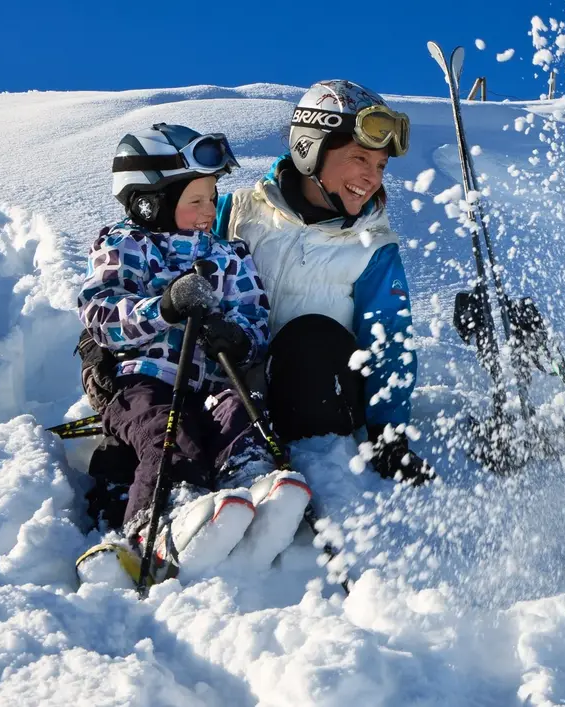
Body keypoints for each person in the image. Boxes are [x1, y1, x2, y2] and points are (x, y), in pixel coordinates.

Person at [72, 124, 312, 587]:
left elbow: (255, 316)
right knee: (169, 431)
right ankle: (156, 521)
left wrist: (237, 338)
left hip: (216, 381)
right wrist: (162, 308)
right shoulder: (125, 244)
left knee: (243, 413)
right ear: (150, 201)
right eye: (196, 200)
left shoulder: (228, 255)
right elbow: (100, 314)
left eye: (213, 195)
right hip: (140, 381)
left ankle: (253, 484)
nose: (210, 210)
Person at [214, 79, 428, 483]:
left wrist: (389, 432)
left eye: (380, 165)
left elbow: (390, 337)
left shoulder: (372, 247)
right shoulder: (238, 212)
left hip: (320, 400)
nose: (372, 177)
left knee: (309, 337)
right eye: (360, 158)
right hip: (237, 392)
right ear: (309, 148)